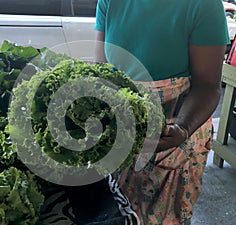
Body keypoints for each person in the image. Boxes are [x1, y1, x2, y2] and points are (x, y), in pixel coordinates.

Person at [91, 0, 230, 224]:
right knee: (119, 213)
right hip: (123, 135)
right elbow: (102, 71)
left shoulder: (203, 5)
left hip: (175, 136)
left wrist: (182, 128)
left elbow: (207, 85)